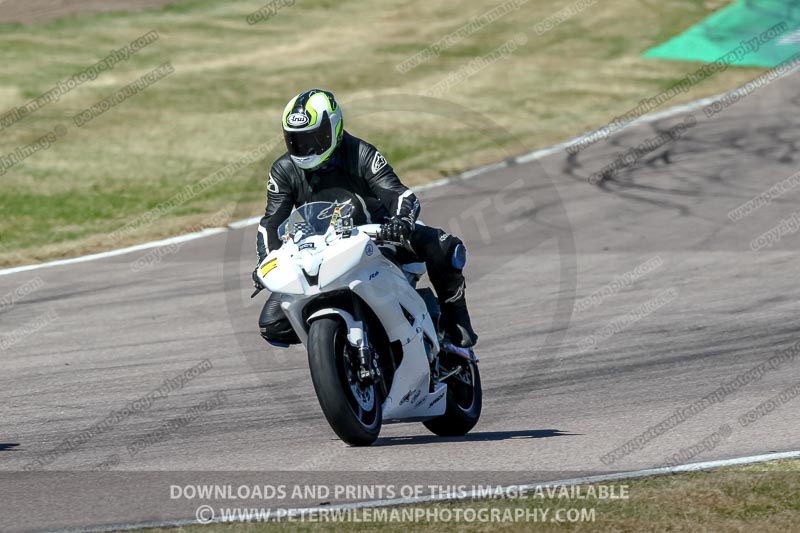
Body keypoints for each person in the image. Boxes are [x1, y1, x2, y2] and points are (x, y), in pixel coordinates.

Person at [253, 89, 477, 347]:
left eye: (313, 138)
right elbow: (271, 223)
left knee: (444, 245)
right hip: (321, 249)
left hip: (377, 237)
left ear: (333, 129)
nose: (305, 148)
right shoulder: (283, 170)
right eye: (296, 140)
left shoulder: (361, 153)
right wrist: (266, 262)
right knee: (272, 324)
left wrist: (400, 222)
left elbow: (399, 194)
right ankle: (337, 347)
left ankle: (456, 325)